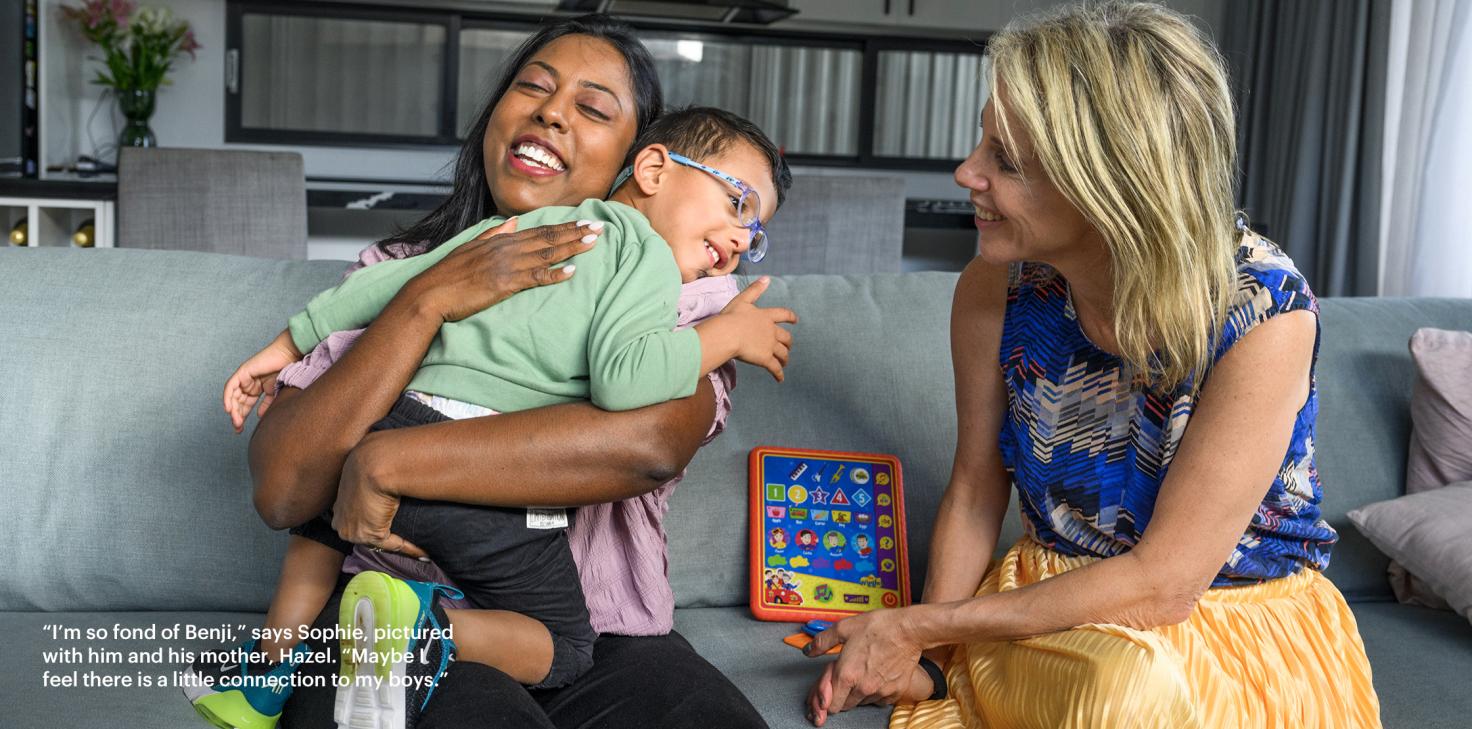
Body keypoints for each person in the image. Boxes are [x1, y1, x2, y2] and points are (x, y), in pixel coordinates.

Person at [801, 3, 1381, 728]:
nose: (966, 172)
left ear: (1111, 183)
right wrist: (930, 657)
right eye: (982, 144)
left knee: (1130, 693)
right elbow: (978, 487)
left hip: (1235, 623)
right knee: (1117, 687)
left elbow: (1165, 585)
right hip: (1054, 619)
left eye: (1005, 161)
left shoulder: (1262, 314)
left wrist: (912, 625)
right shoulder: (999, 286)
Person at [227, 15, 781, 729]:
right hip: (391, 625)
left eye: (592, 107)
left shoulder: (683, 296)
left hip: (602, 628)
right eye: (533, 88)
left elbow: (646, 444)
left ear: (635, 159)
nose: (552, 112)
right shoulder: (396, 272)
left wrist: (389, 459)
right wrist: (429, 298)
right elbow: (283, 488)